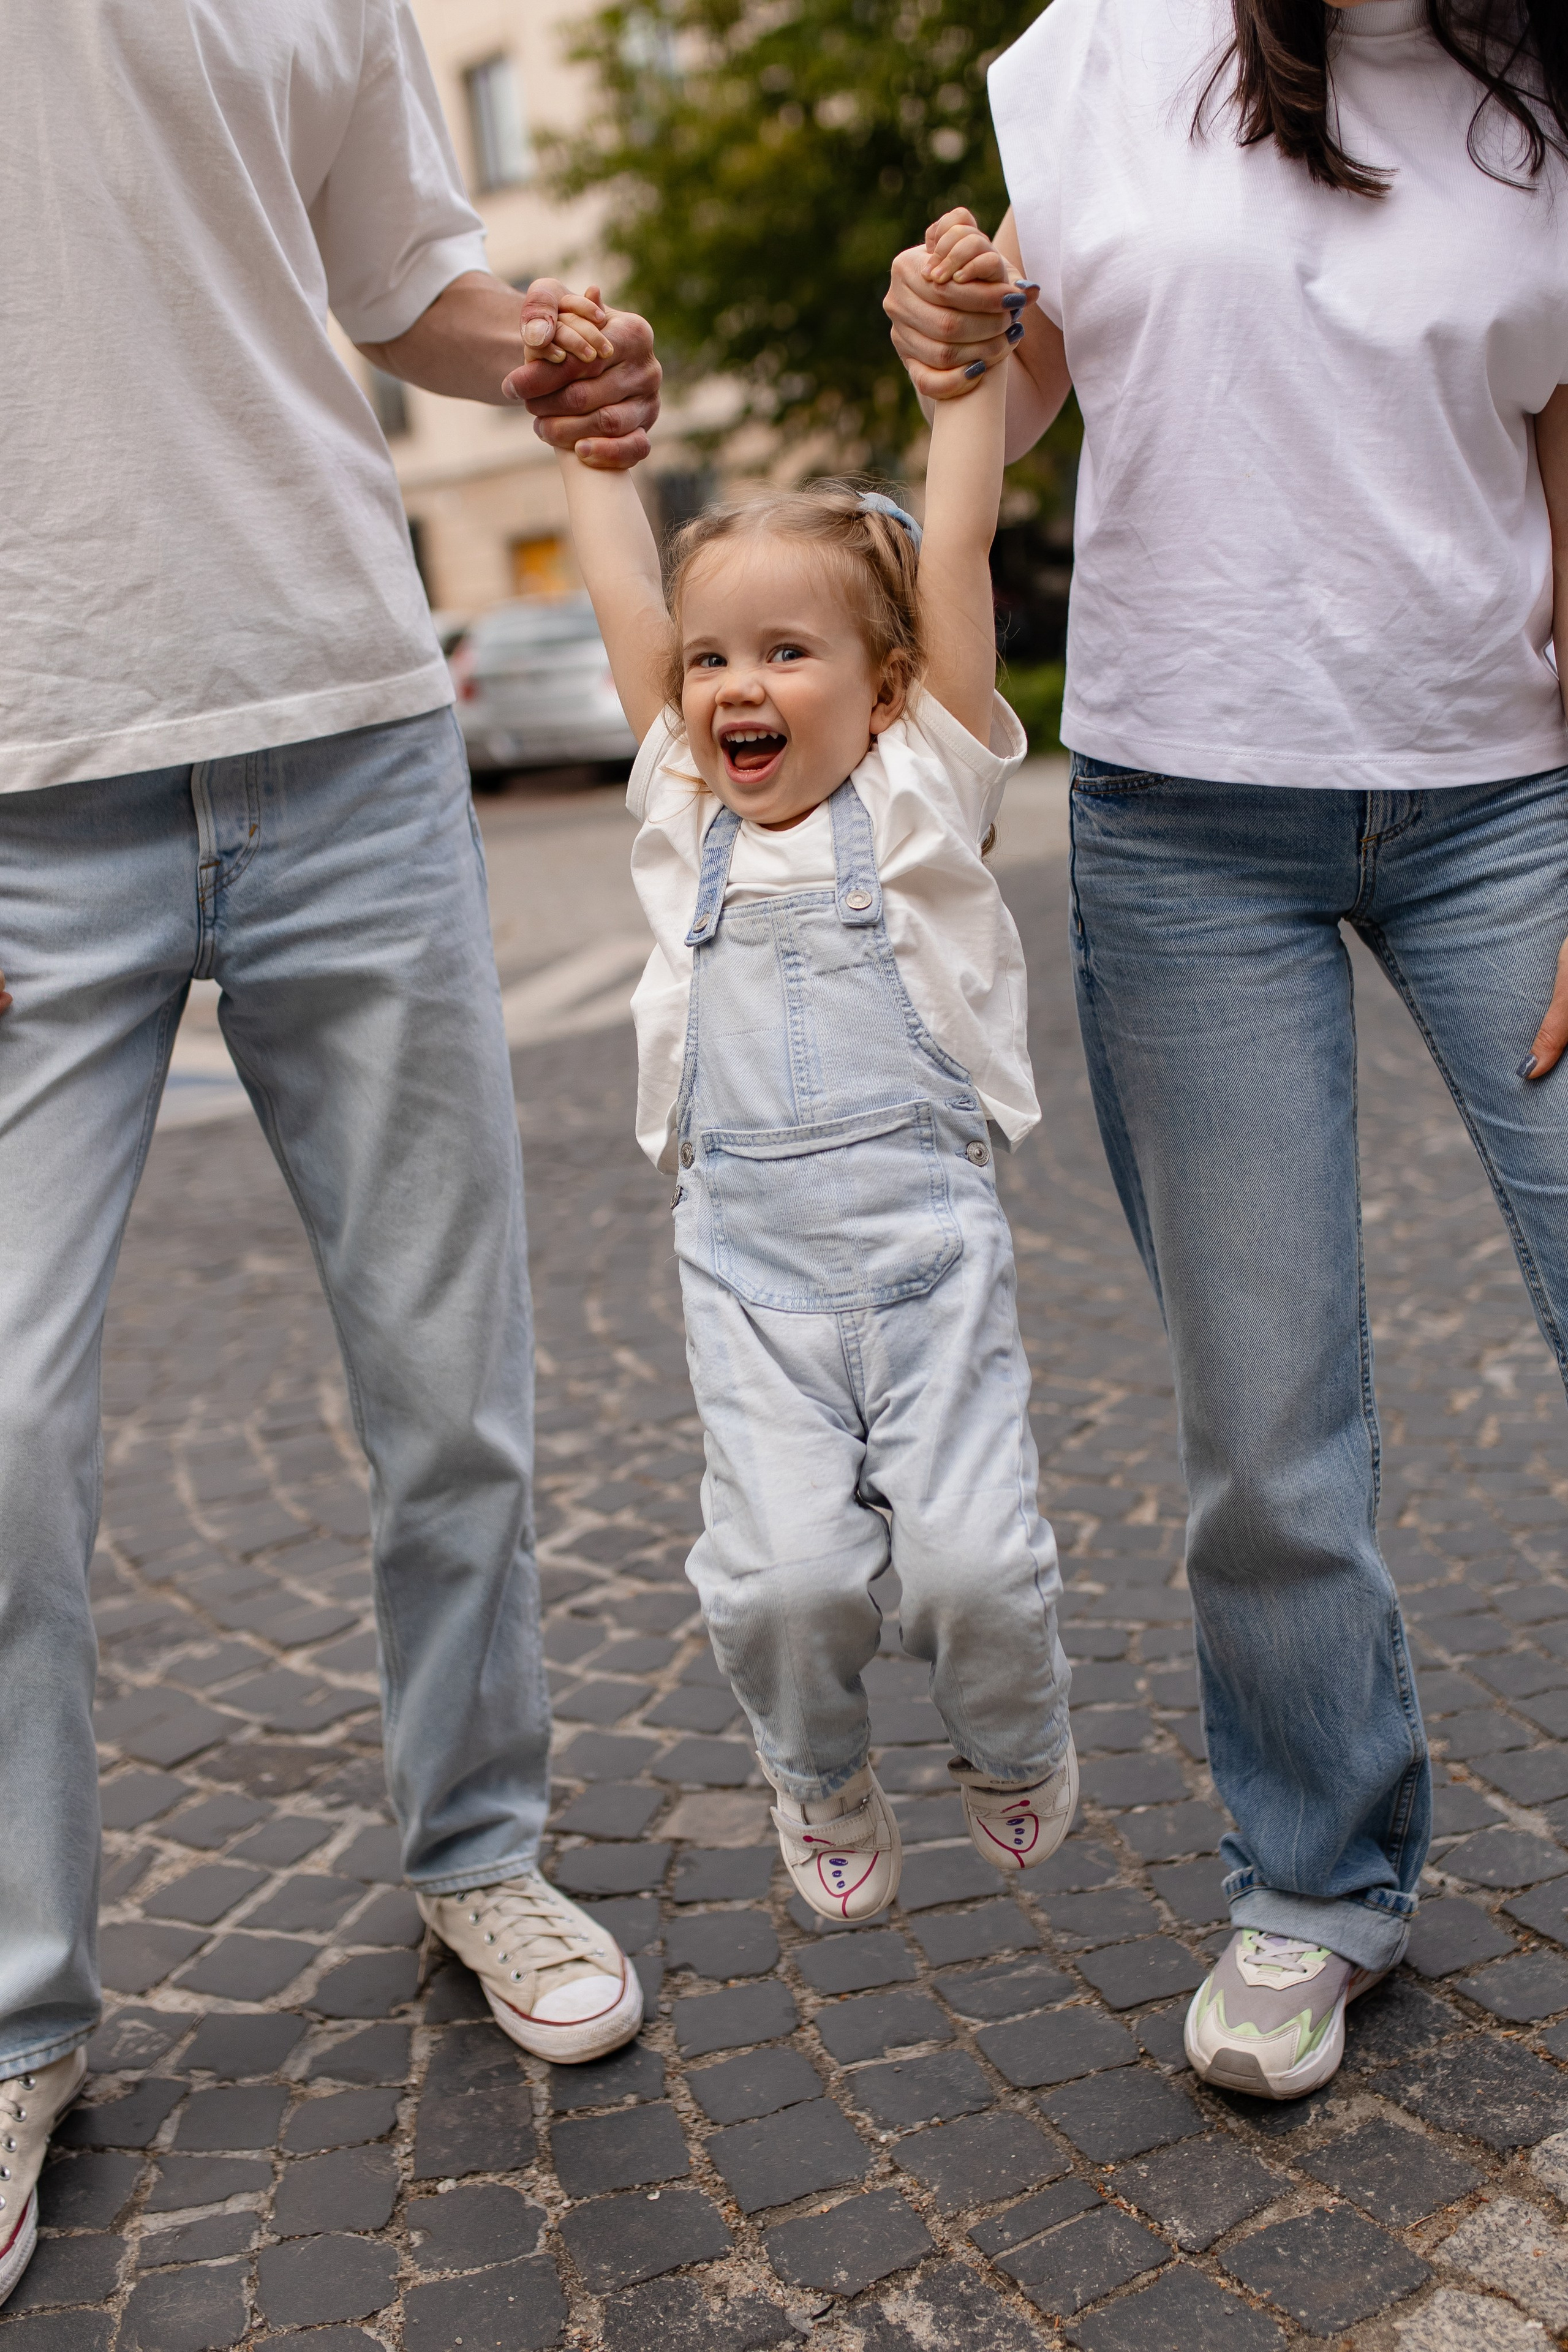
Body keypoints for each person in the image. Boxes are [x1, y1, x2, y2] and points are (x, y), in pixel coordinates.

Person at [0, 1, 659, 2307]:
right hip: (25, 785)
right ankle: (15, 2016)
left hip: (353, 735)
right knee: (2, 1427)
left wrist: (550, 353)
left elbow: (400, 288)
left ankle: (480, 1848)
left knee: (450, 1388)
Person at [883, 0, 1568, 2098]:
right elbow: (1019, 377)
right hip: (1187, 817)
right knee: (1266, 1427)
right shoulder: (1111, 45)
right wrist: (955, 330)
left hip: (1511, 798)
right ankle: (1320, 1883)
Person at [526, 238, 1078, 1924]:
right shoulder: (684, 805)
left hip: (927, 1264)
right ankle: (818, 1774)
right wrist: (593, 446)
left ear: (888, 686)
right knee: (782, 1585)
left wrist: (964, 386)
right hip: (749, 1282)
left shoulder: (924, 794)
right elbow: (624, 596)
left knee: (976, 1571)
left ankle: (1014, 1740)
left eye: (786, 652)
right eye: (711, 662)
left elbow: (955, 543)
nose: (736, 687)